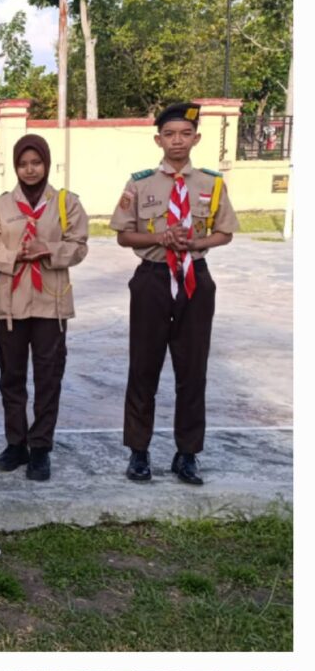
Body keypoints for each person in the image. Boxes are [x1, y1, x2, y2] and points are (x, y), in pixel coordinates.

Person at [109, 102, 239, 485]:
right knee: (143, 368)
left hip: (195, 279)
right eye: (169, 134)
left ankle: (187, 454)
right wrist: (160, 237)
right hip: (152, 279)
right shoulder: (140, 184)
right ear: (158, 140)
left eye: (185, 134)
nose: (177, 141)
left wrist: (197, 242)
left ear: (196, 138)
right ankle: (138, 452)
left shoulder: (212, 184)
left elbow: (225, 232)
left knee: (192, 370)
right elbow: (123, 235)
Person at [0, 134, 89, 481]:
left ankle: (41, 447)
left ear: (46, 163)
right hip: (11, 305)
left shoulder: (66, 203)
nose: (30, 170)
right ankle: (16, 444)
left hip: (51, 303)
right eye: (23, 164)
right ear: (15, 166)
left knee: (48, 378)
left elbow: (79, 245)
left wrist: (48, 249)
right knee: (11, 377)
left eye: (36, 162)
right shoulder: (0, 206)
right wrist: (15, 255)